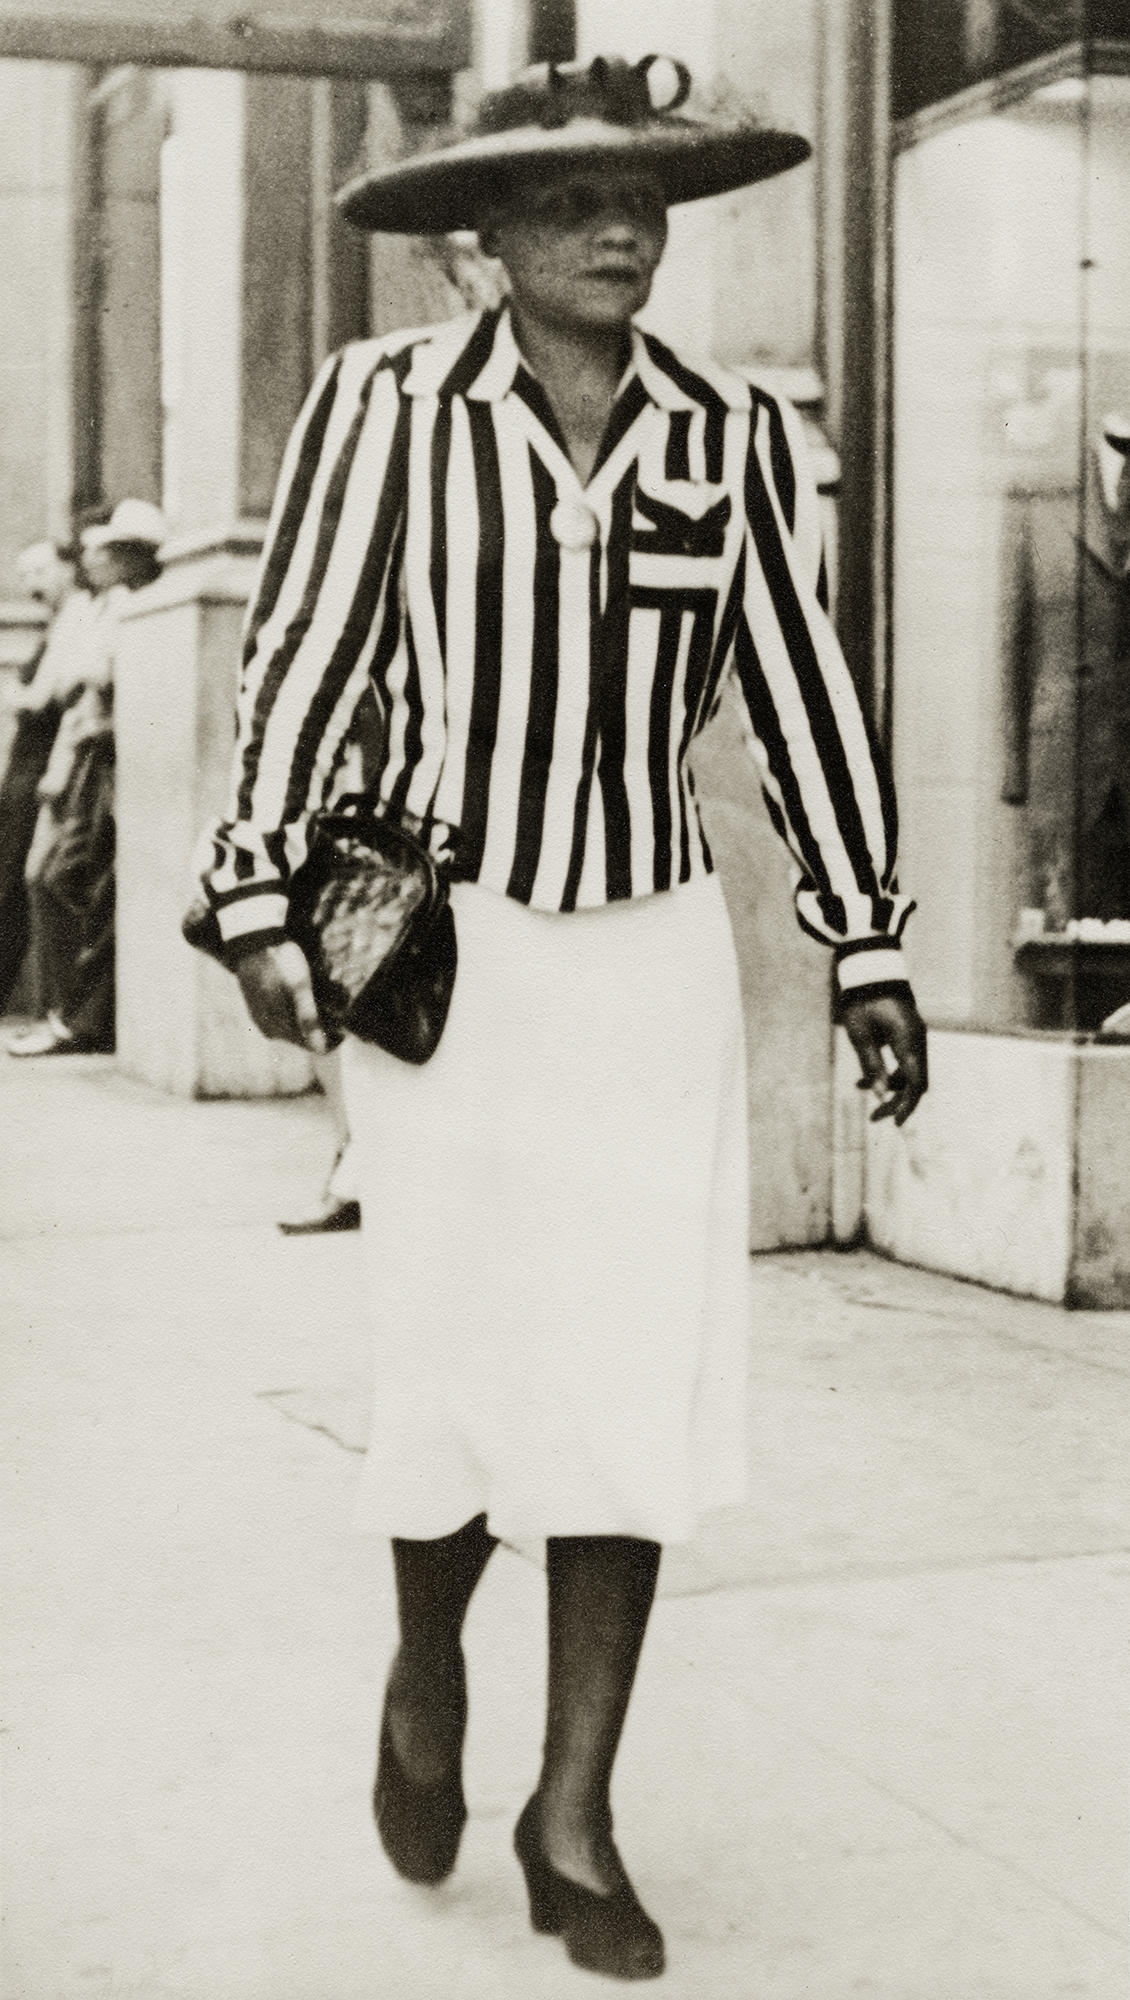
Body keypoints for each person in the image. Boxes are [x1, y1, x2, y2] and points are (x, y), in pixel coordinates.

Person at [187, 56, 928, 1981]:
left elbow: (806, 693)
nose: (625, 231)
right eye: (580, 203)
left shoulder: (732, 434)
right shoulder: (383, 414)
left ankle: (571, 1808)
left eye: (651, 201)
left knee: (632, 1386)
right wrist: (259, 890)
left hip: (653, 957)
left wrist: (864, 943)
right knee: (454, 1361)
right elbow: (303, 655)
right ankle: (427, 1671)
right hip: (448, 967)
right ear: (488, 238)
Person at [8, 499, 164, 1057]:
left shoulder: (131, 607)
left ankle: (77, 1018)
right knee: (59, 879)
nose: (91, 559)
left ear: (129, 557)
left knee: (69, 881)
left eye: (105, 550)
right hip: (87, 758)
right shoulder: (104, 608)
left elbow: (88, 678)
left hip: (107, 760)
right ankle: (69, 1014)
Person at [0, 540, 86, 1010]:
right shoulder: (59, 621)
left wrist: (16, 692)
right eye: (25, 575)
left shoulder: (77, 616)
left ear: (68, 569)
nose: (32, 585)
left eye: (40, 571)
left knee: (17, 876)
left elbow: (38, 699)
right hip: (25, 759)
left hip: (40, 763)